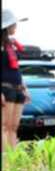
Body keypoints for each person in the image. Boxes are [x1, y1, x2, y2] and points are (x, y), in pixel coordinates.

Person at [1, 9, 30, 152]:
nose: (16, 27)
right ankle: (4, 160)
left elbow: (16, 69)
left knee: (14, 127)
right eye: (14, 24)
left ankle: (12, 161)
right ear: (7, 26)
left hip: (17, 89)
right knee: (4, 126)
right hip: (4, 89)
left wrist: (25, 88)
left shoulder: (11, 45)